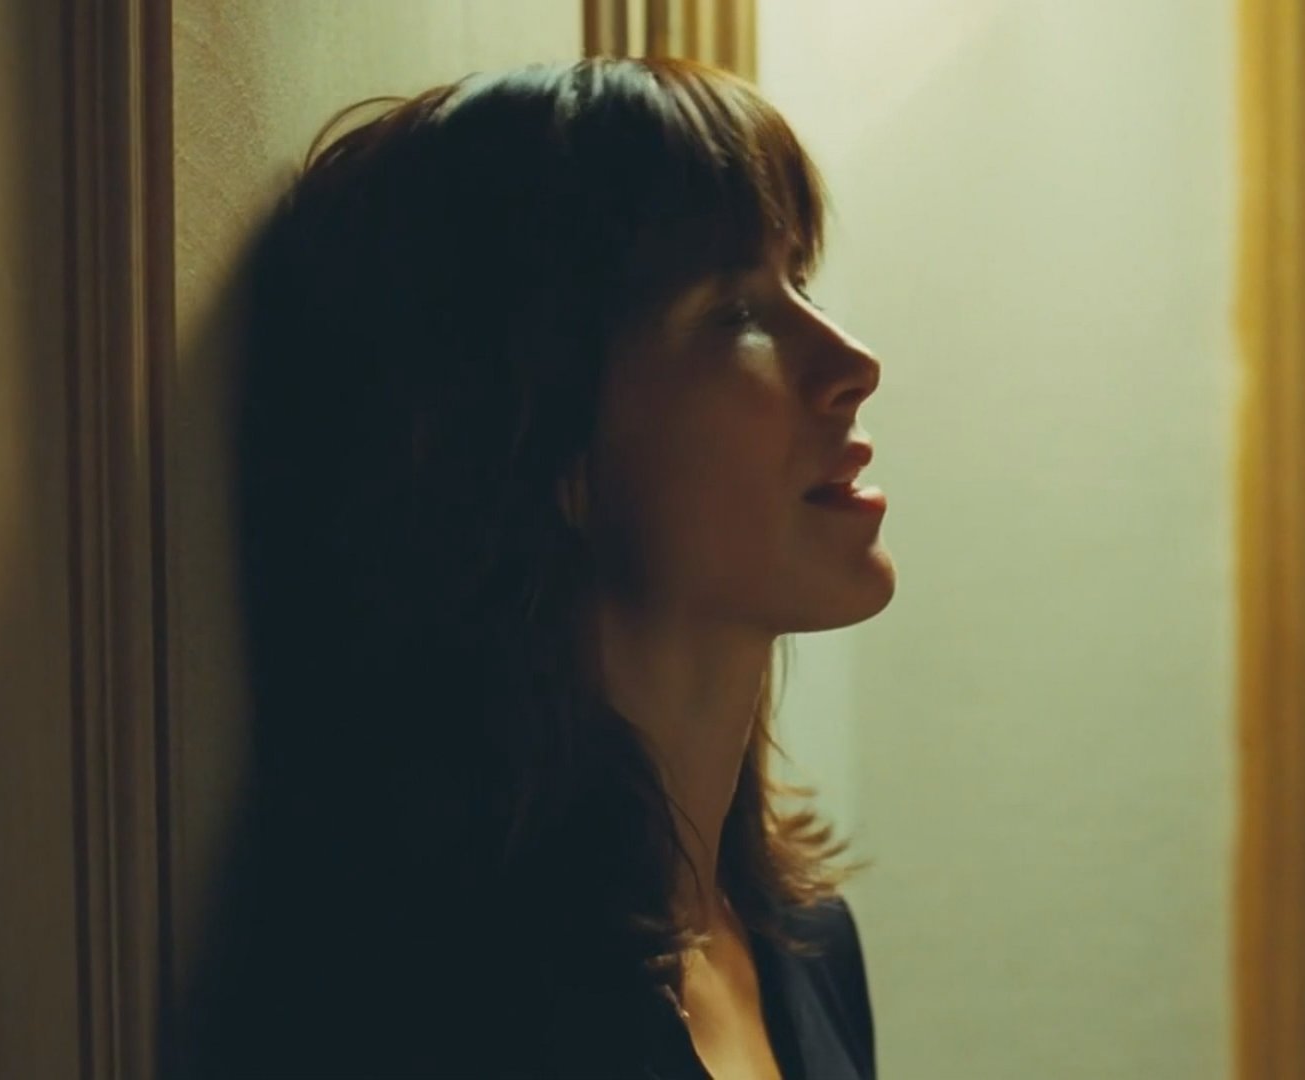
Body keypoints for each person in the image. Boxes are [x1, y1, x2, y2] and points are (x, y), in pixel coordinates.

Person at [166, 55, 894, 1079]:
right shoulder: (424, 1013)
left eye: (799, 280)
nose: (854, 364)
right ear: (540, 441)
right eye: (734, 312)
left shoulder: (807, 940)